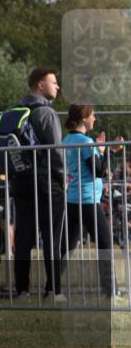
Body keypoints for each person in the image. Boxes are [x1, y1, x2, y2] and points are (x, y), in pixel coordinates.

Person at [8, 67, 66, 301]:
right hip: (45, 180)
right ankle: (53, 289)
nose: (57, 86)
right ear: (40, 85)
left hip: (20, 180)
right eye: (54, 82)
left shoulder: (14, 112)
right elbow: (55, 150)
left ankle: (22, 290)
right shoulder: (46, 113)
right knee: (52, 234)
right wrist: (62, 178)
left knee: (23, 236)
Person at [61, 104, 123, 299]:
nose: (94, 118)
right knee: (105, 243)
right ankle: (111, 291)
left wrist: (106, 151)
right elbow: (99, 171)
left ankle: (51, 288)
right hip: (88, 201)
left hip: (72, 199)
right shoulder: (85, 141)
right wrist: (106, 151)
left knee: (66, 246)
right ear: (84, 117)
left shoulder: (68, 139)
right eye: (93, 115)